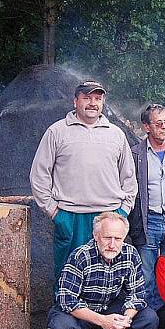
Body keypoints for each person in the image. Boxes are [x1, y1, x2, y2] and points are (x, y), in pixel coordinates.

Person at [30, 80, 137, 279]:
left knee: (107, 274)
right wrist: (54, 212)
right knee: (69, 272)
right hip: (71, 215)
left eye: (97, 99)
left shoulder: (116, 134)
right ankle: (65, 309)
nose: (92, 103)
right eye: (86, 98)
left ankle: (103, 310)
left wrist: (123, 210)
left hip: (108, 215)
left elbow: (129, 177)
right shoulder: (57, 132)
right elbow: (39, 175)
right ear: (75, 101)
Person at [47, 212, 158, 329]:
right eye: (107, 237)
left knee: (148, 319)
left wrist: (126, 319)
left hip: (109, 305)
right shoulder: (80, 255)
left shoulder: (131, 254)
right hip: (79, 309)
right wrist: (102, 321)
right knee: (60, 327)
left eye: (118, 238)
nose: (112, 244)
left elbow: (137, 294)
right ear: (96, 236)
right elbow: (66, 300)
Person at [129, 104, 165, 310]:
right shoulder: (134, 155)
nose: (164, 127)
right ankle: (147, 318)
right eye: (158, 123)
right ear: (146, 127)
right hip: (148, 220)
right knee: (145, 272)